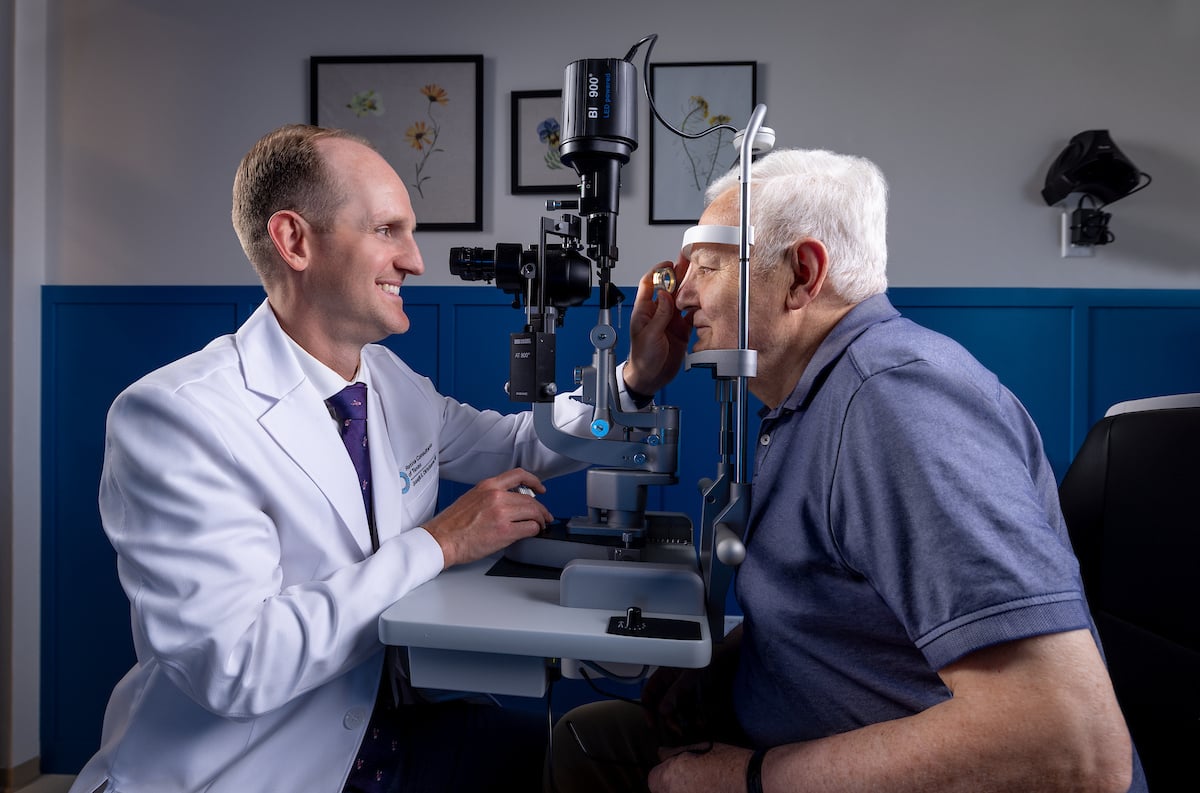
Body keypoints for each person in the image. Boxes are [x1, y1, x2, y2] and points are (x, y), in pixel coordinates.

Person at [70, 124, 685, 793]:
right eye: (387, 230)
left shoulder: (386, 381)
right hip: (250, 768)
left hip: (382, 726)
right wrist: (439, 543)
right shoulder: (177, 417)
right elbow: (237, 665)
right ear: (294, 240)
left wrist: (634, 378)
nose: (414, 261)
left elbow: (515, 444)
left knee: (558, 755)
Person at [547, 149, 1147, 793]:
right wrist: (721, 666)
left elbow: (1070, 743)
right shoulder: (812, 397)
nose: (684, 294)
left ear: (802, 275)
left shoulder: (897, 407)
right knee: (589, 737)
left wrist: (748, 779)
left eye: (709, 266)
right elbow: (847, 608)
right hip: (782, 728)